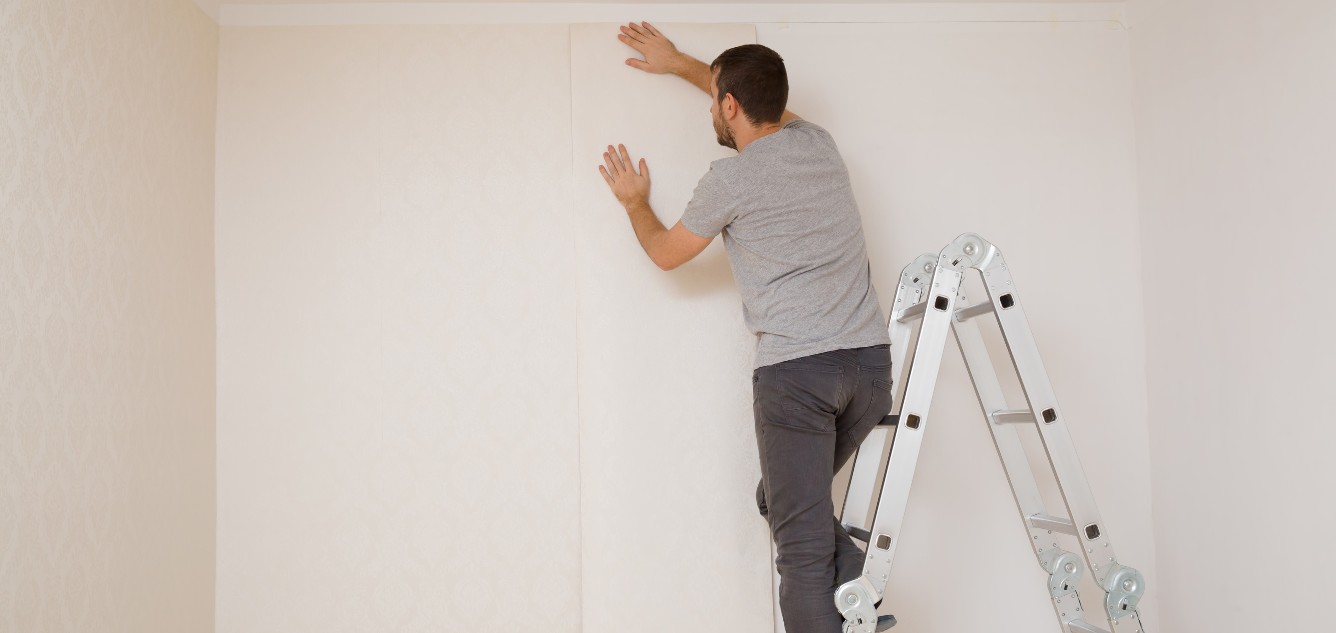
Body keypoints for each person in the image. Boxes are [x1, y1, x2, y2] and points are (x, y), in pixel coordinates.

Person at [596, 22, 896, 633]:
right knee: (781, 502)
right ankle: (854, 585)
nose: (711, 106)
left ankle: (844, 580)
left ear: (729, 105)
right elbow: (750, 95)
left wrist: (634, 202)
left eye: (714, 98)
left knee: (801, 549)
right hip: (869, 371)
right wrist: (680, 62)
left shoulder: (728, 180)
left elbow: (665, 253)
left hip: (798, 378)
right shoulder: (819, 143)